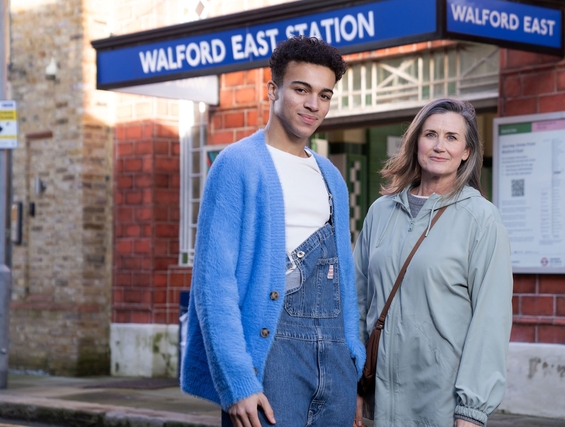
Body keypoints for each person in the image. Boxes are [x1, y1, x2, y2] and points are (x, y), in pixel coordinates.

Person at [180, 36, 365, 427]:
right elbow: (214, 284)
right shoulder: (237, 165)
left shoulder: (331, 176)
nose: (314, 104)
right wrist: (238, 380)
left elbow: (343, 279)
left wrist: (353, 359)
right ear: (273, 90)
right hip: (270, 357)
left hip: (335, 364)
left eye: (325, 95)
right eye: (301, 90)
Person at [354, 98, 513, 427]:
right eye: (431, 135)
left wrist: (471, 410)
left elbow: (490, 320)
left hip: (441, 402)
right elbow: (355, 302)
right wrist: (351, 384)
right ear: (415, 143)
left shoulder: (481, 218)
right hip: (378, 400)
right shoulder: (380, 212)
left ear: (466, 152)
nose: (440, 146)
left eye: (452, 138)